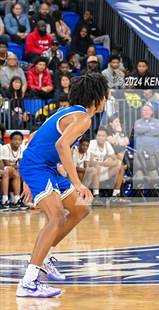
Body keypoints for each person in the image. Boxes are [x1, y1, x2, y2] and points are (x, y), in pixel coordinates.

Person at [16, 72, 109, 298]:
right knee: (57, 217)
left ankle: (44, 259)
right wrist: (77, 183)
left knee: (80, 209)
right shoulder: (83, 118)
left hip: (43, 166)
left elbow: (36, 134)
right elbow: (61, 145)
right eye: (106, 96)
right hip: (39, 166)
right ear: (97, 97)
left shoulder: (68, 112)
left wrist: (29, 178)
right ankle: (28, 282)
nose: (107, 100)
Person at [86, 127, 124, 198]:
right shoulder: (91, 144)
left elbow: (115, 159)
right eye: (99, 135)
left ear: (106, 137)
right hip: (90, 172)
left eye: (103, 136)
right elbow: (90, 162)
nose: (100, 137)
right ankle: (96, 195)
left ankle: (116, 194)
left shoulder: (107, 144)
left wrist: (110, 162)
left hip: (101, 172)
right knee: (96, 167)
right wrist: (105, 163)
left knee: (120, 166)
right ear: (96, 136)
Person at [0, 130, 25, 209]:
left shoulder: (22, 149)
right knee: (8, 170)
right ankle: (5, 200)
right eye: (15, 139)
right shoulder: (5, 148)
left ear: (21, 141)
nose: (17, 141)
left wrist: (14, 165)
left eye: (19, 140)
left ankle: (16, 199)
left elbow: (22, 164)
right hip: (5, 169)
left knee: (20, 173)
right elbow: (6, 164)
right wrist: (15, 165)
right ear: (10, 140)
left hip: (11, 171)